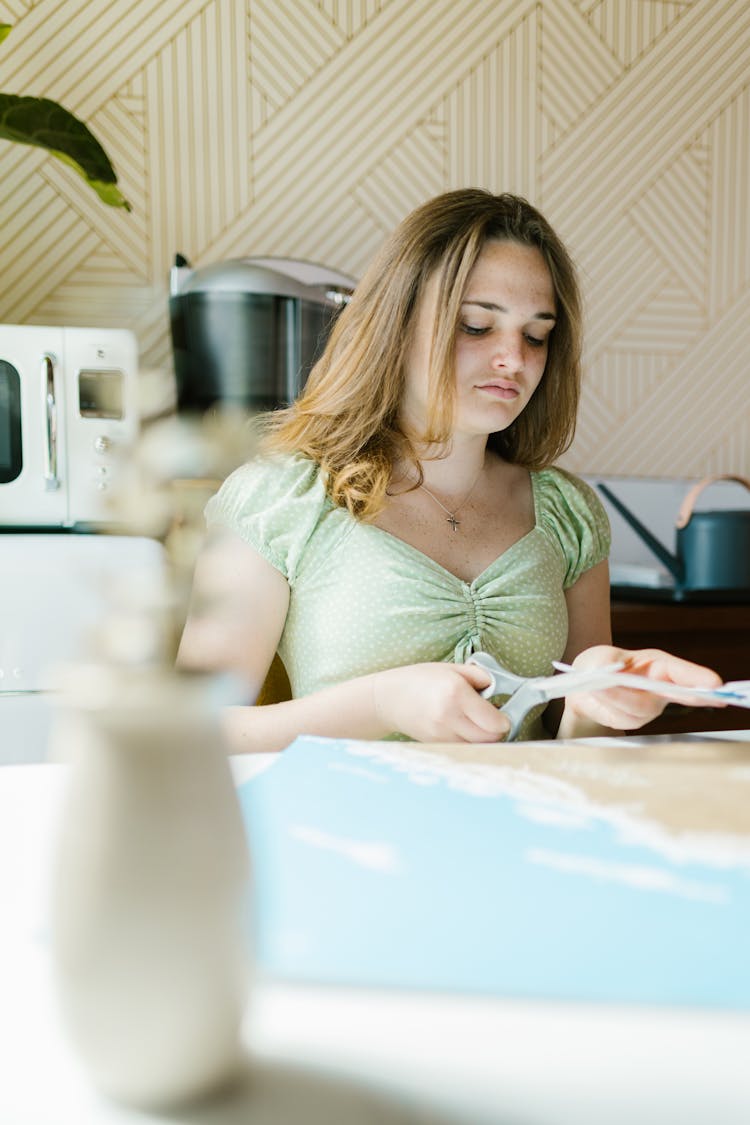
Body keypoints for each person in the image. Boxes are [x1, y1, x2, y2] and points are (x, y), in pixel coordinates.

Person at [177, 189, 722, 752]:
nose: (514, 359)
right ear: (397, 327)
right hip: (346, 830)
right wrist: (380, 703)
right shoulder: (281, 498)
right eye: (477, 327)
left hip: (522, 831)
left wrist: (592, 703)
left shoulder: (569, 514)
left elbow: (572, 750)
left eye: (536, 335)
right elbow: (189, 735)